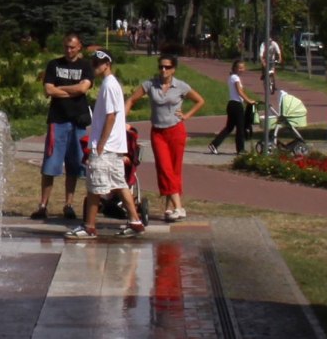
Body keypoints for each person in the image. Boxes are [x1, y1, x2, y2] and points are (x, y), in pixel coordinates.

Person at [69, 52, 143, 240]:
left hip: (106, 146)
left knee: (95, 186)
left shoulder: (109, 85)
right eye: (93, 62)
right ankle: (135, 221)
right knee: (119, 183)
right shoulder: (111, 84)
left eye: (99, 62)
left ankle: (89, 226)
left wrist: (101, 143)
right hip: (113, 146)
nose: (95, 65)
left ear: (108, 64)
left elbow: (112, 115)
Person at [127, 55, 203, 222]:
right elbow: (132, 99)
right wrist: (121, 119)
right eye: (161, 67)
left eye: (167, 67)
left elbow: (199, 101)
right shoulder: (150, 84)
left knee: (174, 170)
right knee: (164, 168)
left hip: (176, 131)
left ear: (173, 69)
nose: (163, 70)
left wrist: (186, 115)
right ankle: (179, 207)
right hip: (158, 132)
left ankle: (169, 208)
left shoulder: (180, 86)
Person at [33, 35, 92, 221]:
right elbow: (49, 90)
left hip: (78, 121)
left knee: (75, 164)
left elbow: (84, 89)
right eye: (66, 47)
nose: (69, 50)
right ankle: (43, 205)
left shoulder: (85, 66)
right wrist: (72, 91)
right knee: (50, 164)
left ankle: (69, 205)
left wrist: (62, 90)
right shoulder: (54, 65)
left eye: (73, 47)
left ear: (79, 47)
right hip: (57, 121)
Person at [210, 59, 257, 155]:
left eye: (243, 68)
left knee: (229, 127)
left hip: (232, 105)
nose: (242, 69)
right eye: (240, 68)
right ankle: (240, 149)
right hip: (236, 105)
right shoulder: (235, 78)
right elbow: (239, 91)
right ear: (235, 68)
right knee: (240, 127)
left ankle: (214, 144)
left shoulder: (232, 77)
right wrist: (249, 101)